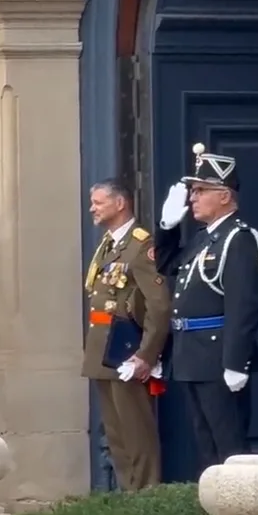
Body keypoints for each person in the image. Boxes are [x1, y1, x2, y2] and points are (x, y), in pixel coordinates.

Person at [158, 145, 258, 470]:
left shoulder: (238, 238)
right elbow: (166, 264)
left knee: (229, 447)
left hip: (219, 358)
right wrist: (167, 226)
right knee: (207, 448)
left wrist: (236, 362)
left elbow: (242, 306)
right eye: (192, 190)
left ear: (225, 196)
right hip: (193, 355)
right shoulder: (205, 238)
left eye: (201, 190)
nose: (192, 197)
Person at [82, 178, 170, 490]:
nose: (92, 207)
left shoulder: (140, 245)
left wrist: (146, 355)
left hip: (127, 351)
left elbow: (159, 307)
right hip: (104, 349)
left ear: (120, 204)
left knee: (137, 432)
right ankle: (128, 499)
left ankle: (146, 496)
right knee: (117, 435)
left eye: (99, 202)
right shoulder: (109, 243)